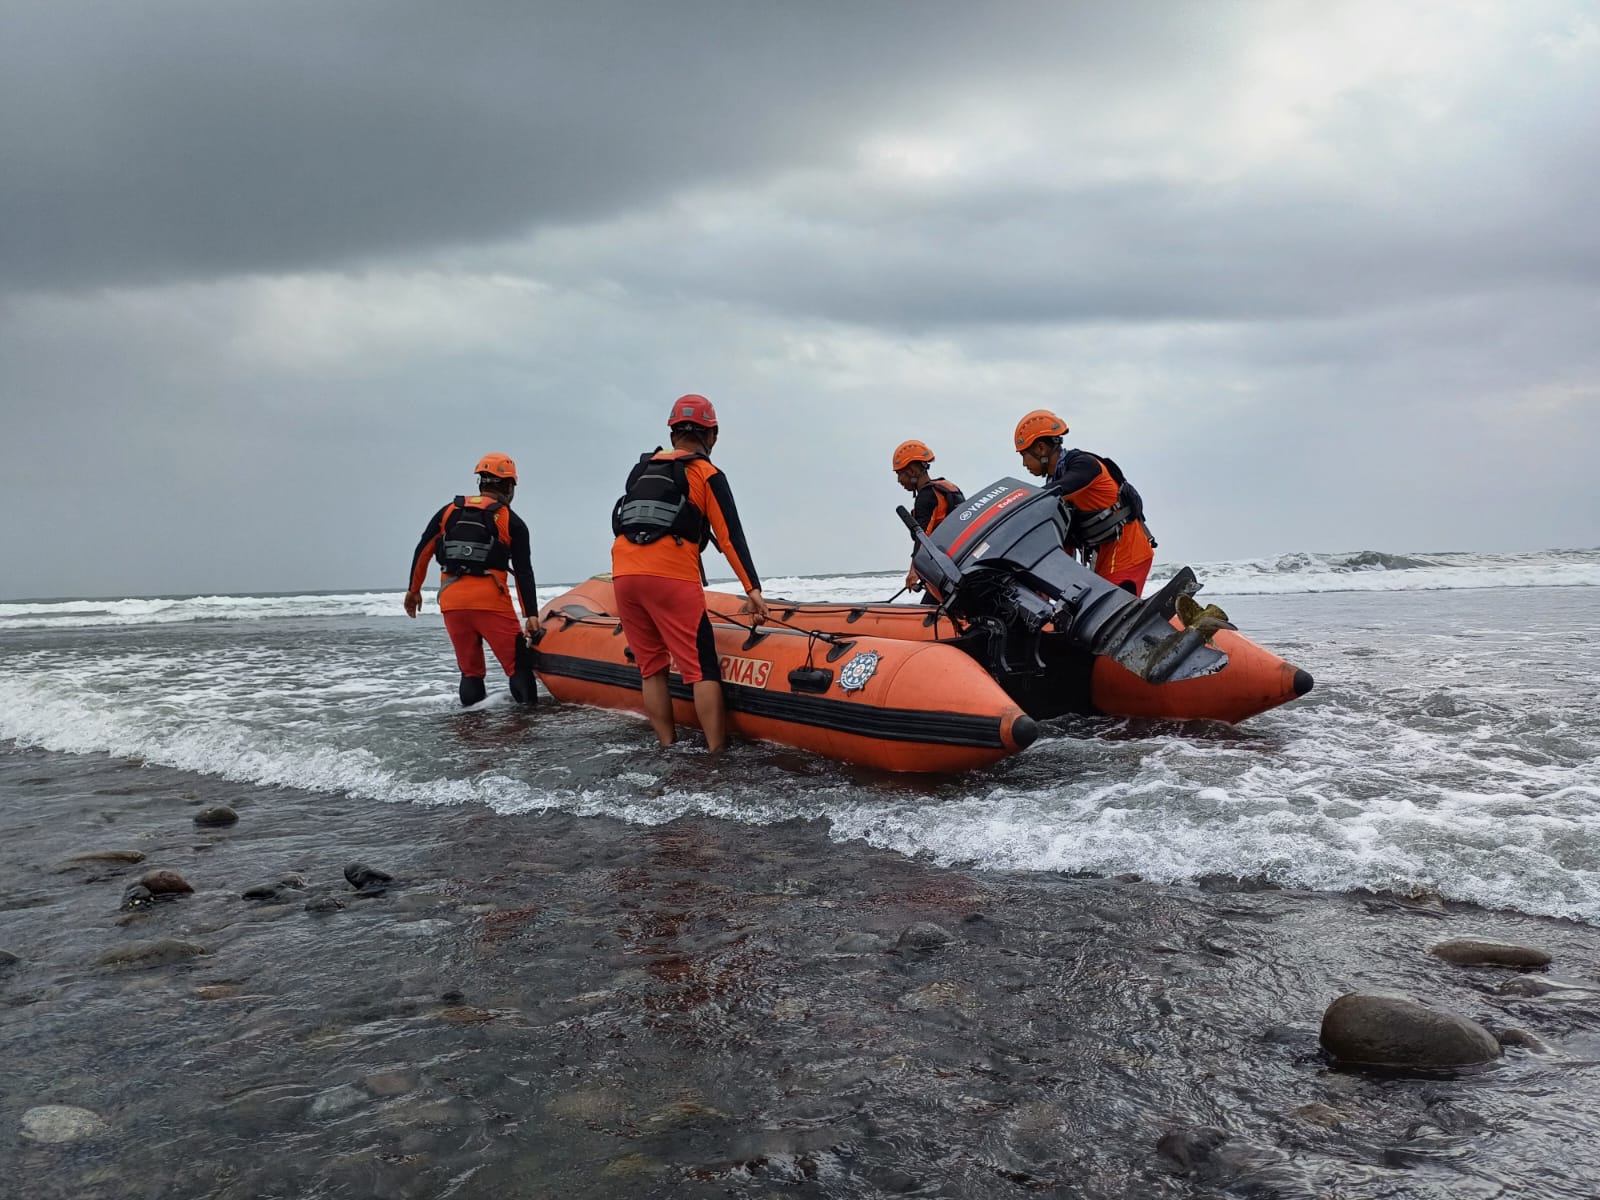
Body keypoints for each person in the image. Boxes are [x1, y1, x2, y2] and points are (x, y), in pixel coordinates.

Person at [611, 394, 769, 751]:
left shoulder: (640, 469)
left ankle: (667, 745)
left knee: (651, 668)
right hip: (670, 578)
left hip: (624, 574)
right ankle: (715, 752)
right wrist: (753, 590)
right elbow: (730, 538)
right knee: (702, 668)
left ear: (672, 434)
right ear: (711, 435)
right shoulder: (706, 472)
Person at [404, 453, 541, 706]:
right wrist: (530, 613)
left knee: (470, 671)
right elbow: (523, 571)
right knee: (517, 666)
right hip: (490, 602)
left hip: (452, 602)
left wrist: (414, 590)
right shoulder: (511, 521)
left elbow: (423, 551)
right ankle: (527, 730)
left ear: (481, 482)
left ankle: (470, 730)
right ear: (509, 486)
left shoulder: (449, 512)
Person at [1012, 410, 1156, 595]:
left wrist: (1018, 503)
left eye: (1024, 455)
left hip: (1127, 554)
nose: (1024, 463)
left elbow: (1061, 489)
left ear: (1041, 448)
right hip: (1106, 557)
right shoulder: (1057, 478)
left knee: (1115, 617)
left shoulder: (1083, 465)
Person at [892, 439, 965, 598]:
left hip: (944, 570)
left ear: (912, 471)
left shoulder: (926, 497)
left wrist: (914, 571)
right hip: (959, 562)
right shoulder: (948, 486)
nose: (899, 481)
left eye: (900, 474)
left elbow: (923, 537)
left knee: (930, 613)